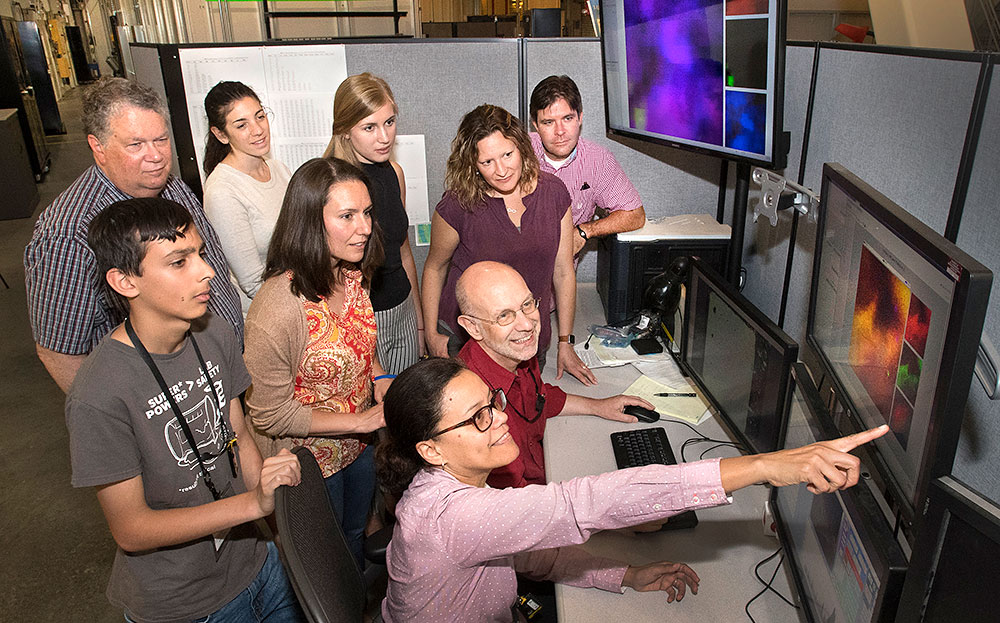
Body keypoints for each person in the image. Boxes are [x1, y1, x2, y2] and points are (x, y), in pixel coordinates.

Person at [375, 357, 889, 622]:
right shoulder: (453, 518)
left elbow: (532, 558)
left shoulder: (452, 489)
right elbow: (585, 502)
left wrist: (624, 574)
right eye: (478, 417)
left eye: (494, 401)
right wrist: (765, 466)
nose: (501, 420)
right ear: (432, 450)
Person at [66, 197, 304, 623]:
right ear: (125, 281)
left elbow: (239, 435)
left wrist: (276, 534)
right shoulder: (98, 394)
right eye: (179, 262)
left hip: (257, 564)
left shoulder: (214, 333)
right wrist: (254, 505)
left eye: (200, 254)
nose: (207, 271)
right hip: (185, 605)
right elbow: (132, 529)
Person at [24, 76, 243, 393]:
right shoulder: (70, 232)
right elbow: (59, 352)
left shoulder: (169, 187)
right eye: (135, 145)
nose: (155, 156)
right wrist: (128, 423)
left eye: (161, 140)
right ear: (98, 148)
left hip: (215, 378)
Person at [243, 156, 390, 568]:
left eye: (366, 213)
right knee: (325, 559)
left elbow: (358, 343)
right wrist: (359, 422)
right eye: (347, 216)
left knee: (356, 535)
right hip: (307, 461)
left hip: (357, 448)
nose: (364, 227)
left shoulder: (351, 274)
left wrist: (380, 375)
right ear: (310, 222)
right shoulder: (277, 309)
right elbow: (269, 415)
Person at [421, 104, 595, 385]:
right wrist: (430, 334)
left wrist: (566, 342)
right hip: (469, 342)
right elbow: (434, 268)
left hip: (528, 337)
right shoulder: (459, 203)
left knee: (528, 416)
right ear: (472, 165)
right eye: (487, 162)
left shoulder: (553, 193)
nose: (501, 170)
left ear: (522, 149)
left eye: (507, 155)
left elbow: (563, 272)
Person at [456, 261, 653, 489]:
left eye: (527, 304)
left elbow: (538, 398)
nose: (527, 325)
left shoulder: (515, 352)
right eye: (504, 316)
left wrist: (597, 406)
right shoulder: (474, 410)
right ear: (473, 327)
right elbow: (516, 507)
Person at [323, 73, 424, 374]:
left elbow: (403, 252)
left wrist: (418, 324)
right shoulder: (331, 185)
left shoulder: (395, 172)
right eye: (369, 127)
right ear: (344, 130)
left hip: (403, 308)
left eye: (389, 122)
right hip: (358, 317)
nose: (384, 137)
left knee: (403, 407)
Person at [529, 75, 645, 259]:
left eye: (567, 118)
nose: (560, 131)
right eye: (548, 122)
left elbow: (635, 215)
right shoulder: (516, 152)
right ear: (535, 125)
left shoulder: (598, 161)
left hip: (560, 277)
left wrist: (585, 231)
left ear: (580, 118)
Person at [202, 81, 293, 314]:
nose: (258, 130)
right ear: (221, 134)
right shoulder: (222, 190)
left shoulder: (279, 169)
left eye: (260, 117)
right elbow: (253, 282)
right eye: (242, 125)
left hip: (298, 297)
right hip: (266, 314)